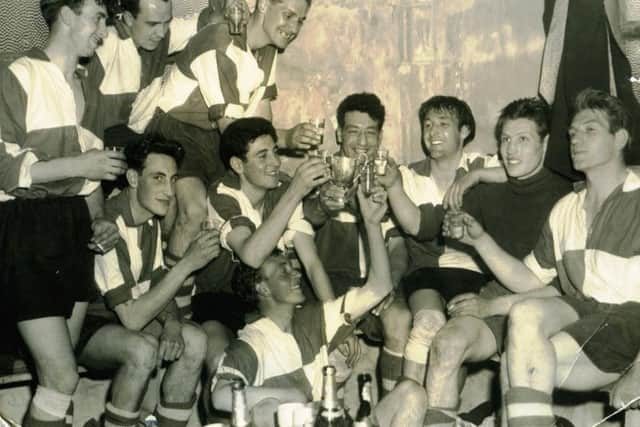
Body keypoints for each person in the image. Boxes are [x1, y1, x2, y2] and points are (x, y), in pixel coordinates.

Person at [455, 88, 640, 427]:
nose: (576, 140)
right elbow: (529, 280)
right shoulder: (566, 209)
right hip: (591, 321)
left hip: (634, 322)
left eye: (590, 130)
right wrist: (479, 240)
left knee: (519, 365)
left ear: (620, 139)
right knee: (521, 342)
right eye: (572, 133)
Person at [128, 0, 322, 320]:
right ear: (261, 6)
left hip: (219, 138)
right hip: (175, 131)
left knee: (239, 209)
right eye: (288, 15)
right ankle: (174, 308)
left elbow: (259, 123)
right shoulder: (221, 41)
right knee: (194, 211)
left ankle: (214, 300)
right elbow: (234, 133)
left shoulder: (268, 50)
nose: (294, 27)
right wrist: (279, 144)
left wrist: (289, 138)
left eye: (300, 20)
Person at [0, 1, 125, 426]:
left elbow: (90, 178)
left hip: (72, 226)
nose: (104, 29)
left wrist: (101, 220)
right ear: (67, 15)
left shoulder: (86, 85)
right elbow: (5, 170)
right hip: (25, 229)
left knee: (59, 378)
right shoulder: (19, 74)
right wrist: (81, 167)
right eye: (98, 16)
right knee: (62, 375)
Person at [211, 186, 427, 427]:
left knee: (411, 392)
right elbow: (219, 396)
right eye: (283, 271)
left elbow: (379, 287)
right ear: (262, 287)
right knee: (267, 410)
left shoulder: (317, 317)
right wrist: (293, 398)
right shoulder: (253, 341)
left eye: (291, 267)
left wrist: (372, 224)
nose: (294, 273)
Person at [421, 98, 572, 426]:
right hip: (497, 298)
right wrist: (455, 226)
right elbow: (445, 226)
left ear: (544, 144)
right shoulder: (489, 191)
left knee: (518, 367)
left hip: (547, 309)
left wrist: (493, 307)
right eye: (505, 139)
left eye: (523, 139)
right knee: (445, 345)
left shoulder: (567, 196)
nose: (511, 150)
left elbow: (564, 291)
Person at [80, 137, 218, 427]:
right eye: (158, 179)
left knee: (194, 339)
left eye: (173, 180)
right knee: (142, 350)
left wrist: (172, 324)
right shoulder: (111, 224)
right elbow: (132, 318)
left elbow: (157, 282)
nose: (169, 192)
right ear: (132, 177)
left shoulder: (150, 219)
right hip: (85, 325)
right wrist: (188, 264)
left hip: (121, 317)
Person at [377, 95, 505, 385]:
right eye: (428, 125)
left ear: (464, 131)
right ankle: (402, 407)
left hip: (475, 275)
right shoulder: (408, 175)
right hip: (425, 272)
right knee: (427, 325)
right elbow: (414, 226)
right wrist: (394, 185)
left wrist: (475, 177)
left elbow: (519, 174)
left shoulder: (481, 164)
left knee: (453, 339)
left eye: (443, 124)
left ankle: (438, 414)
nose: (433, 132)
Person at [193, 117, 328, 381]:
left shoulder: (283, 188)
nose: (276, 163)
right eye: (262, 156)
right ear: (237, 165)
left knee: (313, 350)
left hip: (266, 298)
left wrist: (336, 318)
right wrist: (296, 192)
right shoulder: (222, 194)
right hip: (220, 298)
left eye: (275, 151)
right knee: (221, 364)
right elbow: (251, 255)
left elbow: (311, 263)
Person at [299, 92, 412, 395]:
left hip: (372, 283)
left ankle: (390, 406)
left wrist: (391, 285)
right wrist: (323, 204)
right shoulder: (320, 171)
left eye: (370, 132)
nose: (362, 141)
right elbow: (305, 218)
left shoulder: (388, 178)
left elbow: (398, 246)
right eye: (353, 131)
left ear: (379, 136)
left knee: (399, 317)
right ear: (338, 134)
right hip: (325, 286)